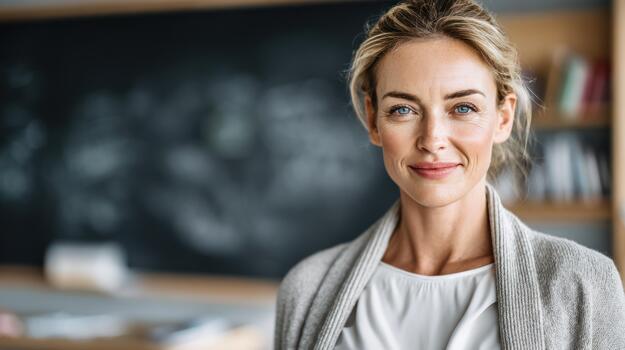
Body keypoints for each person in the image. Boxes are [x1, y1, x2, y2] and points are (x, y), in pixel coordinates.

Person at [273, 0, 625, 349]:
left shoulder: (583, 283)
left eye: (463, 107)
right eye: (403, 109)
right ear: (373, 119)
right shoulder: (307, 288)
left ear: (503, 118)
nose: (432, 140)